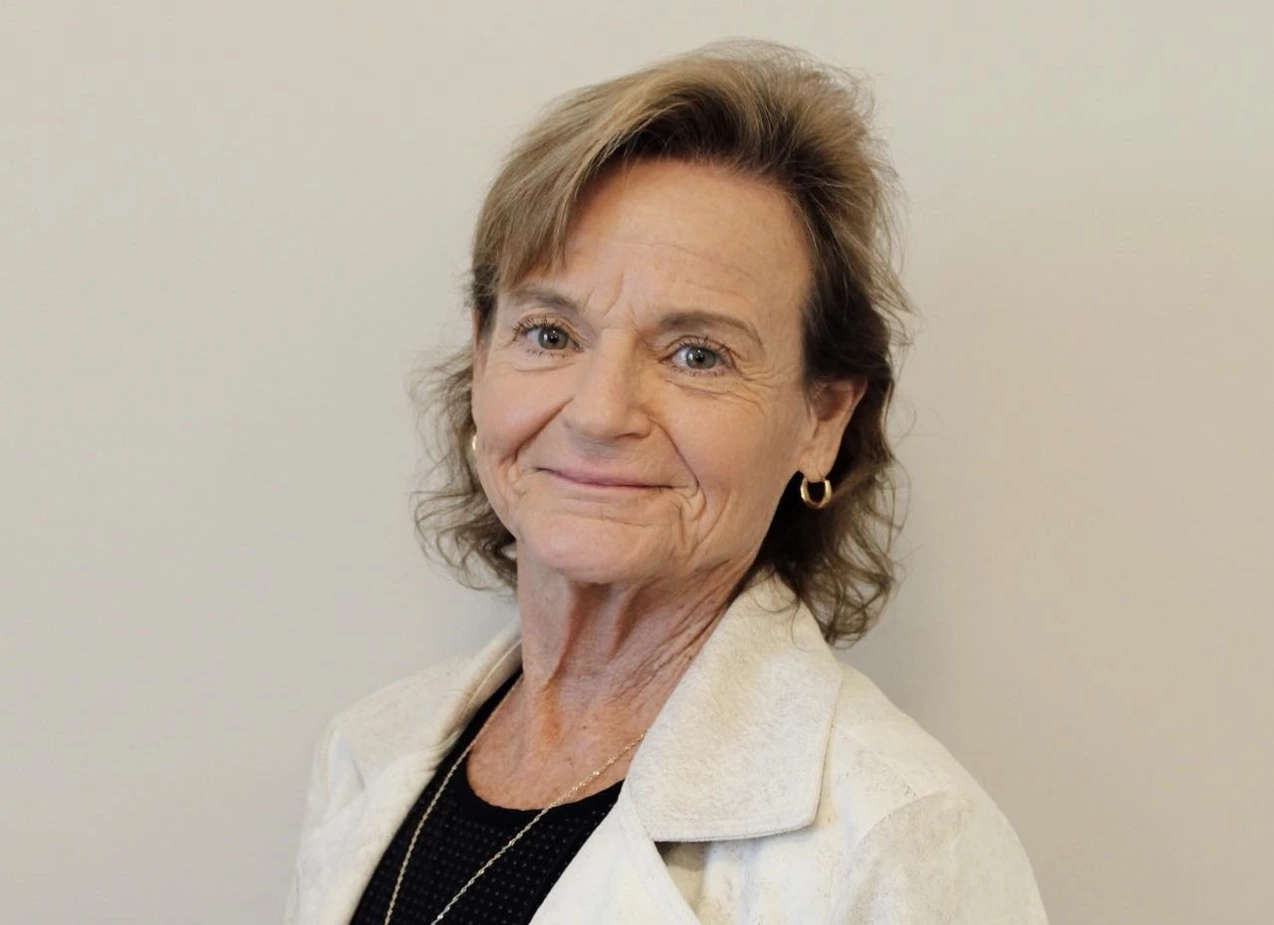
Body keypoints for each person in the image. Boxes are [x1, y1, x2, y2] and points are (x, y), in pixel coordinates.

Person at [284, 40, 1049, 925]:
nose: (600, 412)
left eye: (696, 354)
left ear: (822, 418)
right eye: (549, 334)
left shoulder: (897, 838)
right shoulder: (367, 753)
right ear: (480, 353)